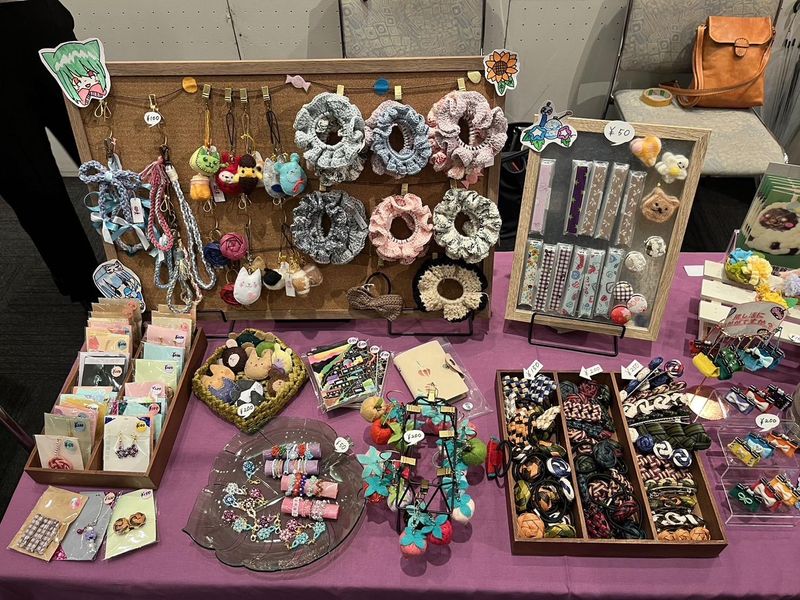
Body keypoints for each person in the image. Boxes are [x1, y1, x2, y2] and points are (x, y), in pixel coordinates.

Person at [0, 0, 98, 305]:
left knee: (105, 156)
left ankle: (155, 263)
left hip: (36, 16)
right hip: (37, 19)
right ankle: (88, 292)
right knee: (29, 184)